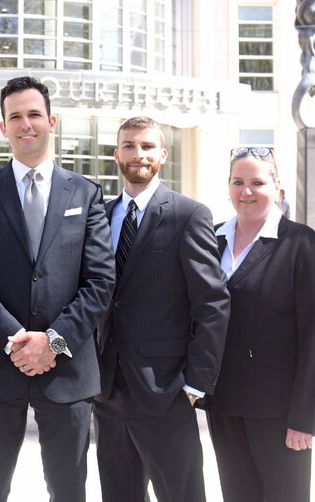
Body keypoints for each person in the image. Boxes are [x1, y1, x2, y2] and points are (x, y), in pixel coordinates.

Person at [0, 76, 115, 502]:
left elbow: (100, 282)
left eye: (34, 114)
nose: (25, 124)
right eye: (15, 117)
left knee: (68, 491)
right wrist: (16, 341)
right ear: (3, 128)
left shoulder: (86, 193)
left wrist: (53, 342)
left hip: (68, 371)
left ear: (51, 121)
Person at [94, 116, 229, 502]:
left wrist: (195, 383)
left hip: (166, 391)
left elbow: (213, 303)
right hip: (107, 392)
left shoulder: (188, 215)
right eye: (129, 145)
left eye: (148, 146)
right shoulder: (99, 216)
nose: (138, 153)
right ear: (116, 154)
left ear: (163, 155)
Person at [206, 147, 315, 502]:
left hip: (279, 410)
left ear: (276, 186)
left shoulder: (303, 244)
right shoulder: (211, 239)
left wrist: (304, 418)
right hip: (223, 402)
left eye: (257, 182)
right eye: (238, 182)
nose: (246, 191)